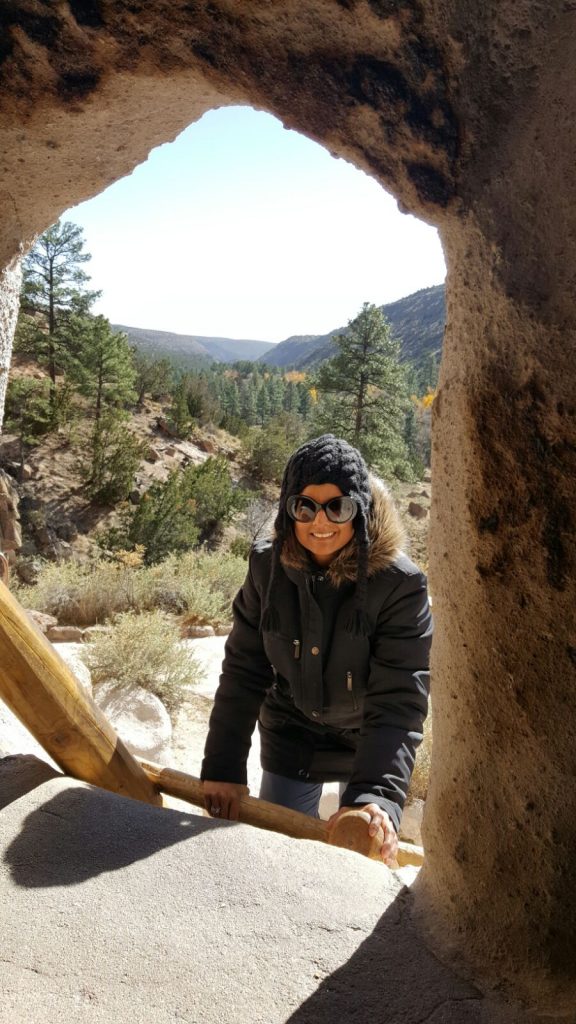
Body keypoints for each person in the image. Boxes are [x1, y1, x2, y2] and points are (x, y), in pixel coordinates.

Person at [201, 434, 432, 864]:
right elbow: (244, 669)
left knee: (360, 851)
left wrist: (377, 798)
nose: (319, 521)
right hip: (293, 728)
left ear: (359, 510)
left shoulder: (399, 585)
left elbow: (399, 699)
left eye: (337, 507)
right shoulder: (267, 566)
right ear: (289, 508)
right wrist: (222, 767)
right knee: (277, 855)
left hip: (369, 736)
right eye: (304, 506)